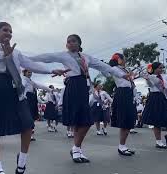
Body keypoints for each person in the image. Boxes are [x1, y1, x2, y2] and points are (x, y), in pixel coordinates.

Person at [0, 22, 65, 174]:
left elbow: (31, 65)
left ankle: (22, 160)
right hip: (0, 87)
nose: (8, 33)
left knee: (28, 124)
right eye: (5, 30)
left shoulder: (17, 52)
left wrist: (52, 70)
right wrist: (7, 50)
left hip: (17, 89)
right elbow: (1, 58)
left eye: (10, 31)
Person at [29, 34, 124, 162]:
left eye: (73, 41)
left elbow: (103, 66)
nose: (70, 43)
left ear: (79, 43)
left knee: (84, 121)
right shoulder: (64, 55)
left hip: (83, 88)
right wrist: (25, 58)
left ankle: (76, 148)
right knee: (80, 121)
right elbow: (46, 57)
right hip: (73, 86)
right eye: (68, 42)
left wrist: (122, 75)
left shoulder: (86, 57)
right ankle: (77, 150)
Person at [109, 53, 137, 156]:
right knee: (125, 119)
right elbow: (125, 77)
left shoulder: (124, 69)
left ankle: (123, 145)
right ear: (118, 59)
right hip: (122, 93)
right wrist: (133, 73)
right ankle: (121, 146)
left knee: (129, 119)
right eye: (123, 58)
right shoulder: (115, 68)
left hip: (129, 93)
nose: (125, 60)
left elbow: (130, 79)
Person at [22, 69, 51, 141]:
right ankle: (28, 134)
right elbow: (22, 87)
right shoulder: (24, 79)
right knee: (29, 116)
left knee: (31, 116)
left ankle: (30, 133)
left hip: (32, 98)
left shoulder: (30, 81)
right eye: (28, 72)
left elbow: (38, 85)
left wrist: (49, 89)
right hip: (28, 98)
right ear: (24, 73)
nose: (30, 74)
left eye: (31, 72)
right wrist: (24, 96)